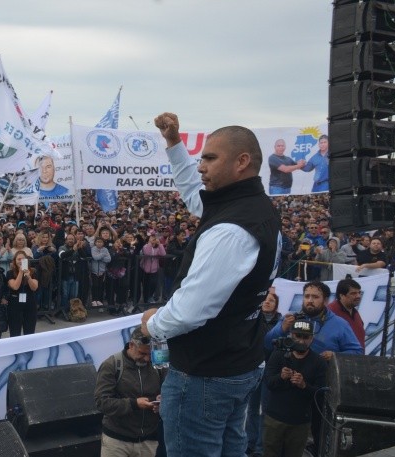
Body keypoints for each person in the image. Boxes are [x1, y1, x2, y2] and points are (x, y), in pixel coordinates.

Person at [141, 113, 281, 456]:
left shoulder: (231, 230)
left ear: (241, 161)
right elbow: (194, 194)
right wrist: (174, 144)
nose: (201, 165)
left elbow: (190, 311)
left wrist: (152, 325)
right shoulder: (251, 206)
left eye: (210, 157)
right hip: (237, 362)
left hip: (205, 375)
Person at [263, 281, 363, 455]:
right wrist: (282, 329)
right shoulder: (292, 319)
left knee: (316, 436)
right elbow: (267, 343)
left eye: (315, 297)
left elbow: (358, 351)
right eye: (307, 296)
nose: (310, 300)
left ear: (325, 300)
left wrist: (335, 356)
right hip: (286, 391)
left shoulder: (339, 324)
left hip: (317, 391)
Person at [94, 327, 164, 457]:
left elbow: (169, 390)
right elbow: (101, 402)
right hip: (117, 442)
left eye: (150, 354)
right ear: (131, 345)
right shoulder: (111, 365)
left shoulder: (158, 364)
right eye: (142, 353)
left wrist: (162, 401)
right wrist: (133, 404)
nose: (147, 359)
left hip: (149, 440)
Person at [262, 320, 327, 457]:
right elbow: (268, 382)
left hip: (300, 422)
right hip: (275, 418)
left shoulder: (318, 362)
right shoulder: (279, 353)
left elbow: (321, 394)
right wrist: (281, 377)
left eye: (305, 337)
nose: (301, 341)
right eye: (298, 336)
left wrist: (304, 385)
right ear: (291, 335)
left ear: (312, 339)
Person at [246, 292, 283, 457]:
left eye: (272, 300)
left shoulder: (282, 323)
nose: (267, 302)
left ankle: (261, 447)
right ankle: (249, 443)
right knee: (251, 408)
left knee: (265, 410)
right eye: (265, 299)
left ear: (277, 304)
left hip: (271, 370)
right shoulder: (254, 319)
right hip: (254, 367)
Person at [7, 250, 39, 336]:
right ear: (15, 261)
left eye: (23, 259)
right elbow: (15, 286)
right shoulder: (10, 273)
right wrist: (21, 272)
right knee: (15, 333)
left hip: (30, 305)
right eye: (18, 259)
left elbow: (34, 287)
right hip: (15, 306)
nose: (21, 261)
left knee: (29, 333)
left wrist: (28, 276)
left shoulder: (33, 272)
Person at [327, 278, 365, 351]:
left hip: (356, 360)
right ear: (341, 295)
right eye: (353, 293)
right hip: (338, 360)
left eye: (359, 292)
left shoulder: (355, 313)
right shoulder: (330, 312)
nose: (358, 296)